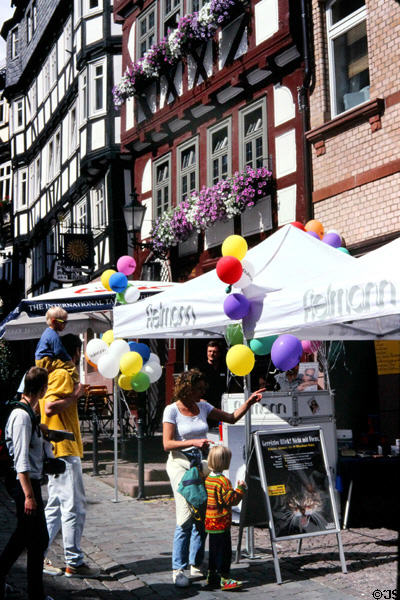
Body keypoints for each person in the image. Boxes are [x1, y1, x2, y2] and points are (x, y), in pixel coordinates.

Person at [162, 368, 264, 588]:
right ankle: (177, 568)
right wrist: (193, 442)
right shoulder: (172, 410)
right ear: (187, 388)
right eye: (198, 389)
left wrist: (249, 402)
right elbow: (167, 444)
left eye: (203, 389)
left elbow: (231, 418)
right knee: (186, 517)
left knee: (203, 513)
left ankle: (196, 563)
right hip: (180, 465)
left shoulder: (203, 406)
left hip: (200, 464)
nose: (202, 392)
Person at [39, 333, 98, 579]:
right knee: (73, 507)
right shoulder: (64, 374)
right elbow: (51, 405)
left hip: (57, 448)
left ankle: (38, 553)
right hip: (64, 449)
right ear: (74, 352)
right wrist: (74, 396)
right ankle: (74, 560)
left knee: (54, 507)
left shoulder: (54, 372)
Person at [0, 367, 55, 600]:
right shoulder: (22, 417)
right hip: (24, 484)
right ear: (42, 389)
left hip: (28, 482)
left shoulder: (28, 414)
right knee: (36, 537)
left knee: (29, 537)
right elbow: (21, 459)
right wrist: (29, 496)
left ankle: (35, 592)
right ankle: (36, 594)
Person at [205, 445, 246, 591]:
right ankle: (224, 578)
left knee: (213, 549)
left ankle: (211, 575)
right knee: (225, 551)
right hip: (221, 521)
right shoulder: (223, 481)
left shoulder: (208, 478)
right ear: (224, 462)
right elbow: (231, 500)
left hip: (210, 520)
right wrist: (240, 489)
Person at [35, 306, 80, 388]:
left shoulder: (46, 333)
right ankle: (76, 385)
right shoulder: (53, 335)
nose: (65, 324)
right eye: (63, 322)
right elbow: (59, 351)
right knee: (71, 366)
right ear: (54, 321)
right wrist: (69, 359)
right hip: (47, 361)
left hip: (40, 361)